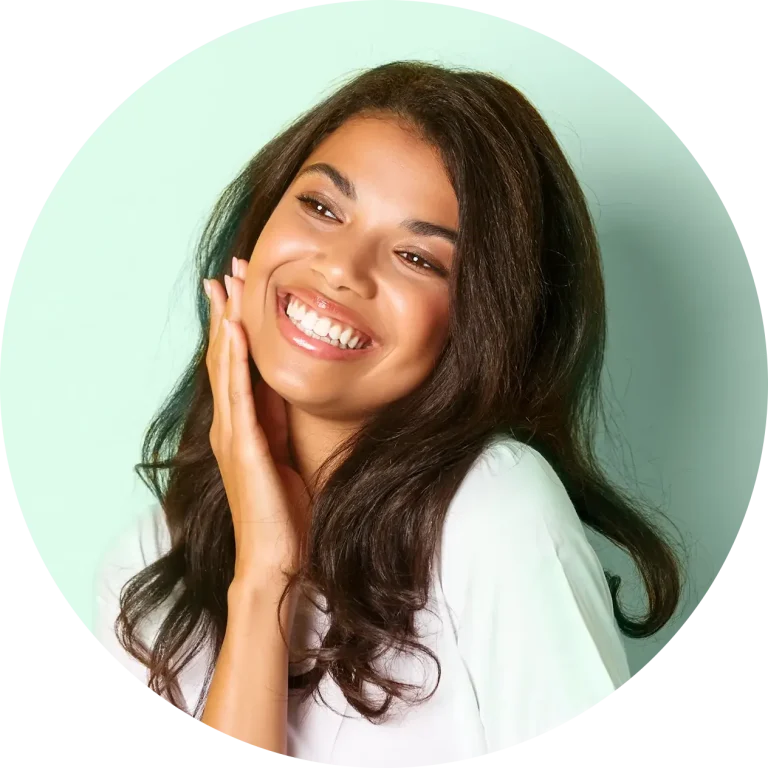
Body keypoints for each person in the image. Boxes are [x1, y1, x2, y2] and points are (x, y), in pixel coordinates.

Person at [94, 61, 683, 764]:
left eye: (416, 256)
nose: (343, 266)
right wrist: (265, 575)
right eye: (321, 207)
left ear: (476, 324)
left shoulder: (492, 508)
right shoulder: (148, 566)